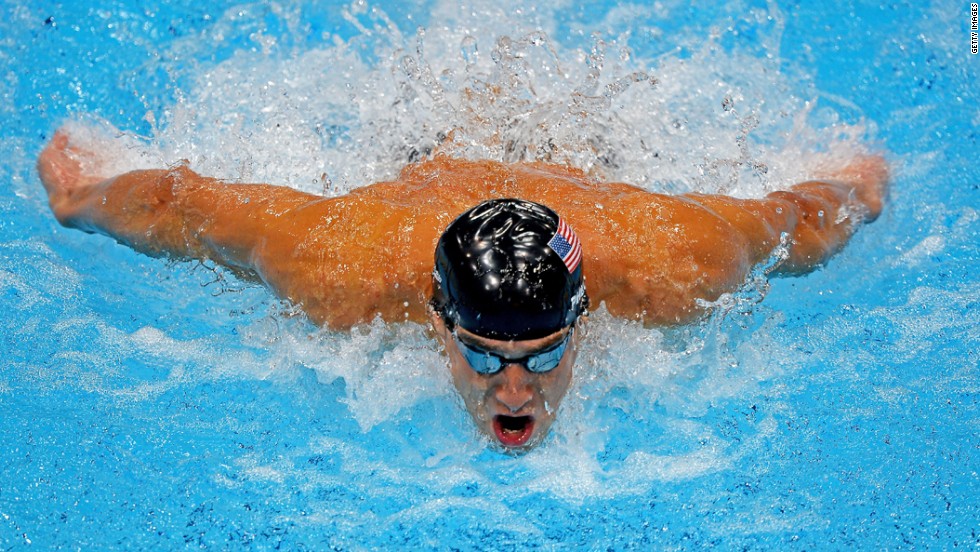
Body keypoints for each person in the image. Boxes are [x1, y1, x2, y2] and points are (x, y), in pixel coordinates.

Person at [37, 128, 888, 450]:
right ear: (438, 321)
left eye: (545, 352)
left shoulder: (674, 266)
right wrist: (82, 200)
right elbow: (180, 206)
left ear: (586, 315)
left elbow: (796, 222)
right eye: (484, 358)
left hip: (586, 160)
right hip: (420, 158)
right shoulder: (340, 270)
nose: (514, 390)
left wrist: (859, 186)